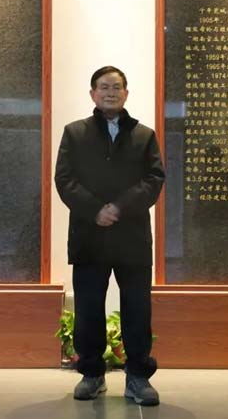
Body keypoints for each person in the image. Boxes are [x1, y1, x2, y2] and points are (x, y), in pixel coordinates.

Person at [55, 66, 165, 406]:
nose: (110, 92)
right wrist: (95, 210)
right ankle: (92, 374)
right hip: (89, 235)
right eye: (104, 87)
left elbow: (154, 179)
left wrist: (118, 207)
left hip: (132, 237)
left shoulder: (144, 135)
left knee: (138, 309)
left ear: (126, 93)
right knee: (88, 307)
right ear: (92, 93)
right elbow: (64, 179)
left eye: (116, 87)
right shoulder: (75, 133)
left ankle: (138, 377)